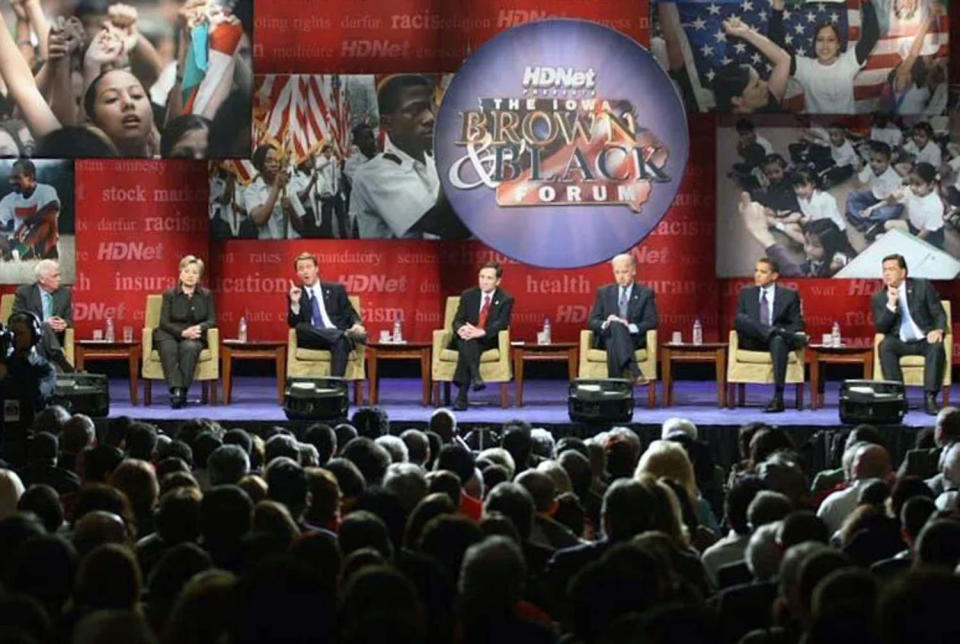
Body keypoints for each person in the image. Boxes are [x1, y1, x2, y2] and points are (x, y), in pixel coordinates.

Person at [350, 75, 463, 239]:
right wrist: (456, 154)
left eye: (432, 107)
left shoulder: (432, 163)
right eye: (415, 111)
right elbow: (442, 224)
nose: (430, 118)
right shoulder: (375, 173)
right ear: (387, 123)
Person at [872, 253, 946, 415]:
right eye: (884, 270)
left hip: (923, 338)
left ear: (903, 272)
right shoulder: (879, 297)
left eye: (891, 269)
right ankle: (898, 398)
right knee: (885, 346)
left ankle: (930, 397)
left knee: (936, 346)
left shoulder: (922, 286)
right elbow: (881, 328)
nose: (887, 273)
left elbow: (938, 313)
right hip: (900, 341)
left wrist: (938, 330)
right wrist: (891, 305)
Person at [734, 257, 806, 413]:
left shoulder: (789, 295)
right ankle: (775, 332)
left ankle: (778, 398)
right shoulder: (747, 293)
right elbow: (741, 322)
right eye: (756, 271)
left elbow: (797, 324)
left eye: (763, 272)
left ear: (774, 276)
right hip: (754, 341)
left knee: (779, 340)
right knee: (740, 319)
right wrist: (771, 330)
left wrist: (778, 334)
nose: (757, 275)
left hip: (776, 343)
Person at [789, 0, 880, 113]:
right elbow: (778, 48)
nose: (825, 46)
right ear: (814, 44)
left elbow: (872, 34)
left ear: (838, 45)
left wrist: (865, 2)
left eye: (831, 40)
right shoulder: (805, 67)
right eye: (820, 40)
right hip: (817, 129)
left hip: (847, 128)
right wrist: (777, 9)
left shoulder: (848, 62)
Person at [287, 251, 366, 378]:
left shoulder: (336, 289)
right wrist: (295, 303)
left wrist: (357, 324)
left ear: (316, 269)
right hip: (313, 339)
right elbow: (293, 323)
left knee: (341, 341)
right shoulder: (296, 293)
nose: (305, 271)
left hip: (335, 338)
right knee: (301, 328)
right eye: (301, 269)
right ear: (297, 273)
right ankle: (343, 335)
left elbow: (349, 313)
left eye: (309, 267)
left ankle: (334, 387)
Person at [450, 261, 514, 410]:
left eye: (489, 278)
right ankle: (474, 377)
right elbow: (457, 320)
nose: (484, 281)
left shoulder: (506, 299)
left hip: (487, 339)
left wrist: (482, 332)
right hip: (465, 337)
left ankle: (462, 394)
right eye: (482, 277)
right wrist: (462, 330)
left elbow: (502, 324)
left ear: (498, 281)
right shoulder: (468, 295)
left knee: (469, 343)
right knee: (468, 341)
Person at [154, 255, 216, 409]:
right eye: (187, 271)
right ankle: (177, 391)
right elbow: (164, 322)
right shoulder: (169, 294)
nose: (190, 275)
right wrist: (182, 333)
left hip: (193, 335)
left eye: (194, 272)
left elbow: (211, 320)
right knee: (169, 349)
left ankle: (180, 391)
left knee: (189, 348)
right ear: (180, 273)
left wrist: (198, 328)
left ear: (199, 276)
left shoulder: (206, 295)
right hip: (169, 333)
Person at [587, 253, 657, 385]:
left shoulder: (645, 293)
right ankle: (635, 370)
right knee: (614, 325)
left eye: (624, 272)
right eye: (617, 272)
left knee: (615, 334)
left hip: (632, 340)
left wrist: (628, 327)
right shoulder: (604, 292)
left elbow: (652, 321)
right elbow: (592, 321)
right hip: (606, 336)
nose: (620, 276)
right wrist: (606, 323)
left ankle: (615, 388)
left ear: (634, 271)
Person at [12, 259, 73, 372]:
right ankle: (60, 361)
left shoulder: (65, 293)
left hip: (56, 337)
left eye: (59, 275)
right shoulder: (24, 293)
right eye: (55, 276)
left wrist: (64, 323)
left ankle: (46, 369)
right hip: (31, 336)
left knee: (44, 332)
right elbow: (17, 318)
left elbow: (70, 319)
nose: (59, 279)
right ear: (42, 280)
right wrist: (41, 323)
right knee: (44, 326)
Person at [0, 159, 60, 261]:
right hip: (18, 241)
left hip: (40, 241)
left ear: (31, 177)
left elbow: (53, 208)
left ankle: (22, 252)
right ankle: (18, 253)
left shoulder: (46, 191)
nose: (12, 182)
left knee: (45, 223)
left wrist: (26, 223)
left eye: (17, 178)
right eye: (11, 178)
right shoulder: (8, 199)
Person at [0, 310, 57, 419]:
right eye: (12, 334)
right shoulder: (5, 363)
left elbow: (36, 395)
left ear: (35, 335)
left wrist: (5, 379)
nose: (15, 339)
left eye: (20, 334)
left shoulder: (45, 369)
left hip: (31, 427)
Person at [243, 144, 290, 239]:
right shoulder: (251, 190)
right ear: (258, 165)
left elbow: (300, 225)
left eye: (276, 160)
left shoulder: (287, 186)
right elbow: (259, 219)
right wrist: (277, 187)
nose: (274, 164)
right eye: (268, 161)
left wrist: (290, 208)